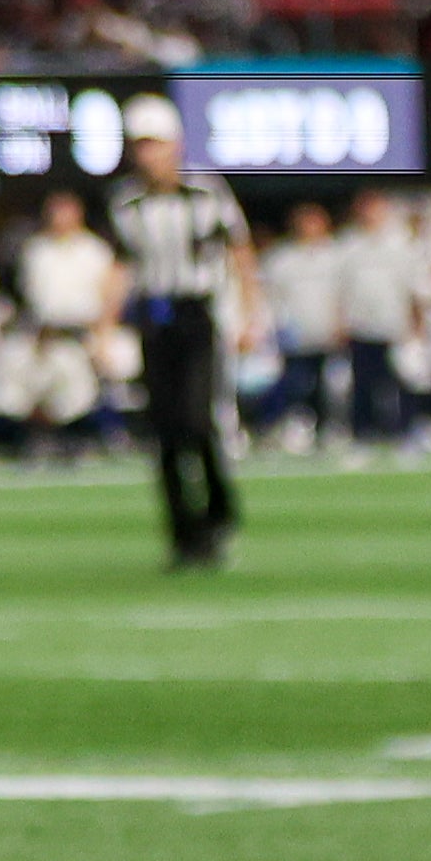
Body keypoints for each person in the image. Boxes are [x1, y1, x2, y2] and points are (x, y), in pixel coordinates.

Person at [106, 95, 259, 568]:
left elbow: (239, 253)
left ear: (174, 145)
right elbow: (120, 265)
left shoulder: (206, 193)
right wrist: (104, 324)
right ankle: (183, 534)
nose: (147, 154)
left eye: (154, 144)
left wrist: (250, 313)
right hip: (154, 317)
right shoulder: (127, 201)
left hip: (197, 314)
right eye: (140, 145)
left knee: (196, 420)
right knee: (165, 430)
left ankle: (218, 510)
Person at [9, 190, 119, 459]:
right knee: (33, 387)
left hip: (84, 333)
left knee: (81, 393)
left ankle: (88, 439)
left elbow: (109, 295)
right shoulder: (36, 250)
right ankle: (43, 440)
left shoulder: (94, 250)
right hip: (46, 334)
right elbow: (30, 296)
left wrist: (103, 336)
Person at [333, 188, 430, 453]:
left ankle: (406, 432)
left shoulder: (402, 244)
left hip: (395, 326)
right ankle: (363, 434)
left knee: (404, 382)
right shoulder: (348, 244)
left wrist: (417, 325)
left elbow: (416, 288)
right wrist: (339, 320)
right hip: (361, 325)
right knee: (363, 384)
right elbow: (340, 287)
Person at [255, 200, 344, 450]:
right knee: (292, 384)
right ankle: (284, 426)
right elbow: (269, 295)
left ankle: (326, 429)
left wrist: (342, 322)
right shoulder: (280, 259)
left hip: (327, 333)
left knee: (327, 385)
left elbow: (344, 293)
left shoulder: (335, 256)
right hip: (294, 335)